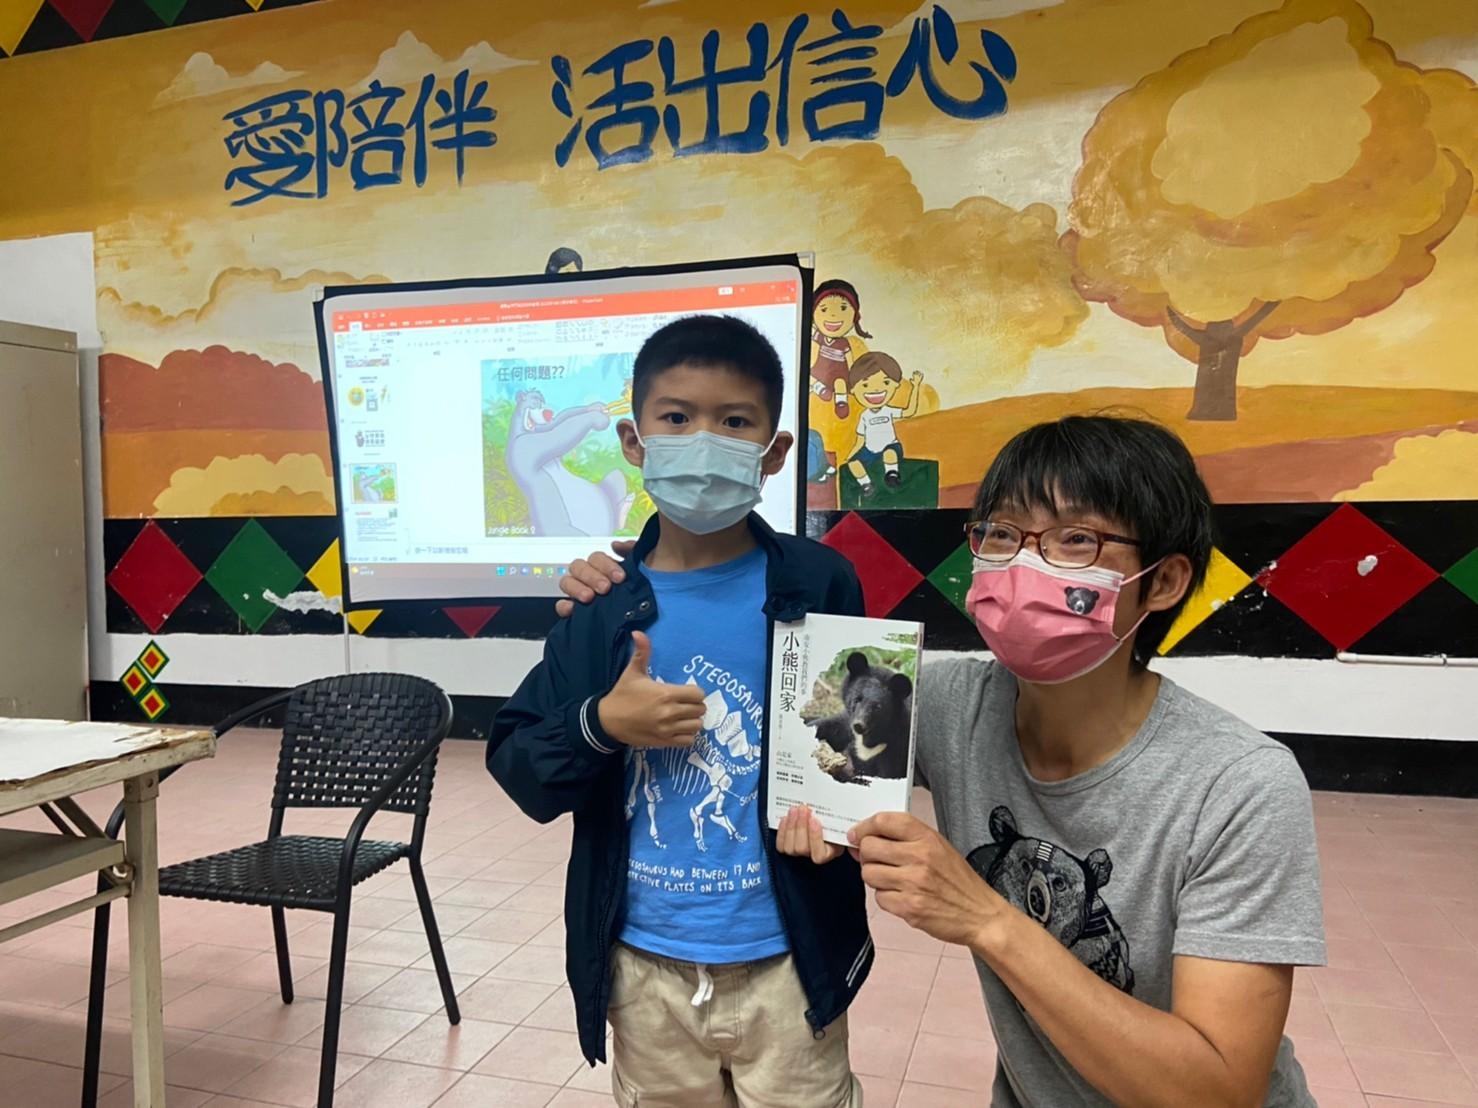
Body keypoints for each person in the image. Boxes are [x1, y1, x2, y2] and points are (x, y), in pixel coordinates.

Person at [556, 414, 1328, 1107]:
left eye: (1075, 541)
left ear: (1162, 581)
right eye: (1003, 534)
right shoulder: (954, 704)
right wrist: (660, 574)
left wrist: (986, 919)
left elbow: (1219, 1089)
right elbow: (798, 707)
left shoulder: (1238, 786)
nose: (1025, 566)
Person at [488, 313, 871, 1108]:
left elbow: (856, 743)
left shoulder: (822, 582)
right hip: (643, 961)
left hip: (790, 954)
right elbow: (521, 766)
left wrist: (843, 821)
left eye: (734, 422)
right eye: (676, 417)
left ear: (774, 452)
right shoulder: (600, 605)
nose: (703, 441)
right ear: (634, 442)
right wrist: (601, 725)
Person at [842, 351, 924, 495]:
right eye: (865, 385)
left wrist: (915, 387)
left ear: (895, 385)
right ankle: (866, 484)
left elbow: (909, 411)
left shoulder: (888, 410)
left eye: (886, 382)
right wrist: (850, 455)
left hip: (890, 446)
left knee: (889, 454)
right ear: (854, 390)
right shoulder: (864, 416)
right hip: (869, 450)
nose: (876, 389)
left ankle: (892, 475)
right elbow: (860, 440)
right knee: (853, 464)